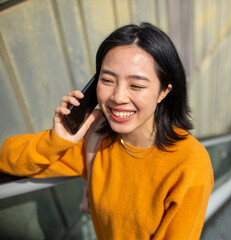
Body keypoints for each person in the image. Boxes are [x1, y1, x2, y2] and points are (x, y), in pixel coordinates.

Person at [0, 22, 214, 239]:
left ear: (163, 91)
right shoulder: (96, 137)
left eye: (136, 85)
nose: (118, 97)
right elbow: (7, 158)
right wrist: (57, 139)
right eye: (107, 80)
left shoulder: (190, 165)